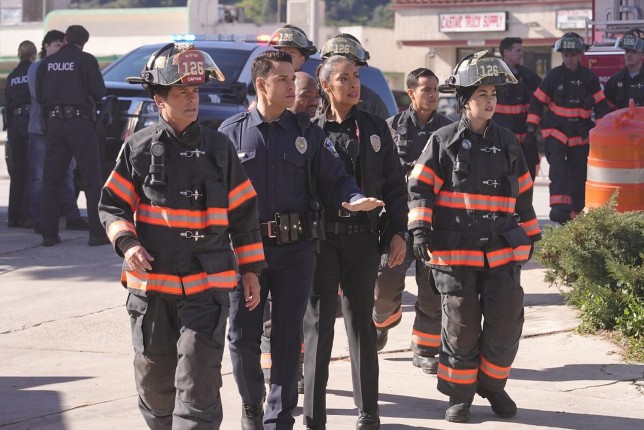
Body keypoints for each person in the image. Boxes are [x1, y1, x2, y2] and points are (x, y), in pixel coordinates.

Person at [98, 42, 267, 429]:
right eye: (181, 93)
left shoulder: (220, 149)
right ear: (159, 100)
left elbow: (244, 214)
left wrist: (252, 270)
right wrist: (128, 243)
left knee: (198, 382)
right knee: (154, 382)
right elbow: (112, 206)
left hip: (205, 292)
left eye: (194, 92)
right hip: (152, 291)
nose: (192, 100)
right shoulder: (138, 149)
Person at [218, 50, 383, 430]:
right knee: (242, 336)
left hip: (296, 250)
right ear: (262, 85)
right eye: (283, 80)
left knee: (288, 337)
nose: (292, 86)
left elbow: (336, 176)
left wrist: (353, 198)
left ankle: (279, 419)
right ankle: (251, 404)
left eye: (293, 79)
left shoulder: (307, 133)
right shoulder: (231, 133)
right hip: (246, 252)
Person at [408, 50, 541, 423]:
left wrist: (531, 237)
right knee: (461, 329)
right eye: (482, 94)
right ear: (465, 100)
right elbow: (419, 187)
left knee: (506, 324)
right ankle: (460, 395)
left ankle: (493, 387)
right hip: (457, 253)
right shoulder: (443, 140)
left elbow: (524, 194)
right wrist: (420, 229)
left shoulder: (509, 142)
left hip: (501, 251)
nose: (490, 100)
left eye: (493, 94)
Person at [303, 53, 408, 430]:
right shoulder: (309, 130)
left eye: (356, 77)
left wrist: (397, 232)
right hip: (321, 241)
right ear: (326, 85)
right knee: (318, 327)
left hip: (362, 240)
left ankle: (368, 412)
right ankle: (314, 416)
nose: (353, 84)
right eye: (344, 78)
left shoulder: (375, 127)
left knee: (361, 325)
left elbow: (395, 186)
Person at [373, 68, 452, 374]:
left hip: (434, 222)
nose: (433, 95)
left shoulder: (448, 130)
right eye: (426, 89)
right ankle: (382, 322)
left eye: (435, 89)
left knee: (431, 289)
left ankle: (425, 348)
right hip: (397, 221)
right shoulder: (389, 128)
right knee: (384, 283)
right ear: (411, 93)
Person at [259, 70, 321, 392]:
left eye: (316, 97)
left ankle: (287, 376)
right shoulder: (248, 131)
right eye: (306, 95)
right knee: (263, 322)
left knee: (294, 317)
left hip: (300, 243)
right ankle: (273, 380)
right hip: (257, 246)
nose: (313, 102)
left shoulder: (313, 134)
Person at [527, 32, 610, 224]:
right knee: (558, 171)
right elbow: (537, 102)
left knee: (579, 173)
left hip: (581, 135)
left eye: (573, 54)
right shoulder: (554, 76)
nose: (569, 58)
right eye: (566, 55)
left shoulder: (589, 77)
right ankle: (559, 210)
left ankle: (576, 211)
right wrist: (531, 128)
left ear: (580, 54)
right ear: (562, 55)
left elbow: (601, 106)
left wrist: (599, 135)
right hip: (556, 133)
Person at [36, 25, 107, 246]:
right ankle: (97, 234)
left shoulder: (47, 63)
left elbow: (39, 95)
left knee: (52, 180)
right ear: (84, 42)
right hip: (80, 124)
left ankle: (49, 234)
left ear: (65, 39)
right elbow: (99, 92)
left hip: (55, 124)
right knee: (92, 179)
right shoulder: (86, 60)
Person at [28, 30, 88, 235]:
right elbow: (38, 95)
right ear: (46, 46)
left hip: (60, 128)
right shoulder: (38, 67)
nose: (60, 49)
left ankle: (72, 216)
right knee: (39, 177)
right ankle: (39, 218)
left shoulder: (64, 66)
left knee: (66, 175)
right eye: (56, 45)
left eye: (62, 45)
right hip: (40, 129)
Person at [494, 37, 542, 179]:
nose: (522, 53)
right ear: (506, 52)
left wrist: (533, 130)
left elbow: (542, 100)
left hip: (526, 139)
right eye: (518, 50)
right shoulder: (493, 76)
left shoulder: (528, 76)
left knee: (527, 177)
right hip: (501, 140)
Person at [4, 40, 37, 228]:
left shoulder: (12, 76)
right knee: (32, 169)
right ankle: (28, 216)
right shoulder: (33, 71)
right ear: (33, 55)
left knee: (17, 171)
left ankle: (13, 216)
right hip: (29, 122)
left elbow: (7, 103)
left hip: (14, 125)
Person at [320, 33, 390, 119]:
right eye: (336, 62)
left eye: (348, 63)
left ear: (358, 66)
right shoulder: (312, 95)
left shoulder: (371, 102)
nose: (344, 67)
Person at [604, 28, 644, 109]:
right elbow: (606, 109)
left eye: (634, 51)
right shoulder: (614, 81)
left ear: (642, 54)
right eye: (627, 51)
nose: (629, 55)